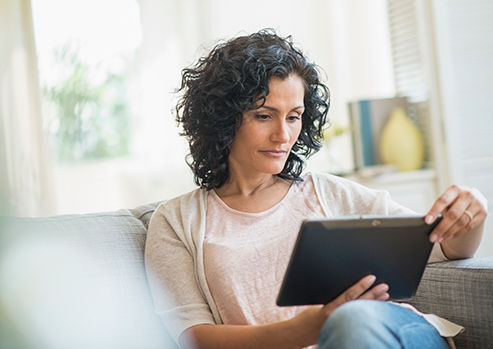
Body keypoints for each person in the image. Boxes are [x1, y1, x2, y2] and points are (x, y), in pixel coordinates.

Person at [144, 29, 488, 349]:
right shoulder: (176, 221)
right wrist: (306, 329)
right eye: (264, 116)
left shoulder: (329, 193)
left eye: (294, 116)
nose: (283, 135)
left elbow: (446, 248)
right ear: (221, 118)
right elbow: (194, 338)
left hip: (388, 334)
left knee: (352, 319)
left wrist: (471, 215)